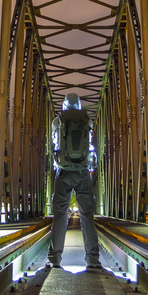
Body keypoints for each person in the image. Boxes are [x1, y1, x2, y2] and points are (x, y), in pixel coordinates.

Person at [47, 92, 101, 270]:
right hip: (83, 172)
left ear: (64, 104)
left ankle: (55, 258)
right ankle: (92, 259)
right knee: (87, 215)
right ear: (79, 104)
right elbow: (91, 146)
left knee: (60, 215)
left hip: (63, 172)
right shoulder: (88, 120)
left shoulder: (57, 121)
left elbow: (54, 145)